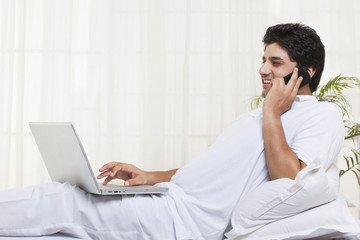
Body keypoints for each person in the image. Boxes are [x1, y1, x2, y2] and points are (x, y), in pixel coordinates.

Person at [0, 23, 344, 240]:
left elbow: (290, 180)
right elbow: (212, 172)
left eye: (275, 62)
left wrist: (271, 112)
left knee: (63, 199)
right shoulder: (256, 116)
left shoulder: (320, 115)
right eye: (264, 59)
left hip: (186, 223)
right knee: (63, 201)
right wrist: (151, 176)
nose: (262, 68)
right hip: (169, 198)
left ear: (307, 71)